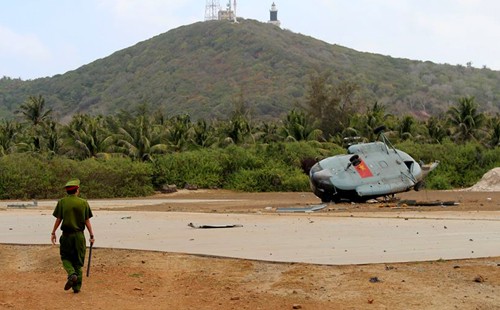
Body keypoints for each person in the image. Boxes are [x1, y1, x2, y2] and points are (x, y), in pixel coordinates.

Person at [50, 178, 95, 293]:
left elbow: (58, 219)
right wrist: (91, 235)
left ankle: (71, 273)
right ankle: (76, 287)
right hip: (79, 236)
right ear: (77, 190)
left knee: (65, 257)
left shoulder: (62, 202)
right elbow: (87, 221)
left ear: (67, 191)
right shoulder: (83, 203)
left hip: (66, 236)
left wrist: (53, 232)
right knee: (78, 261)